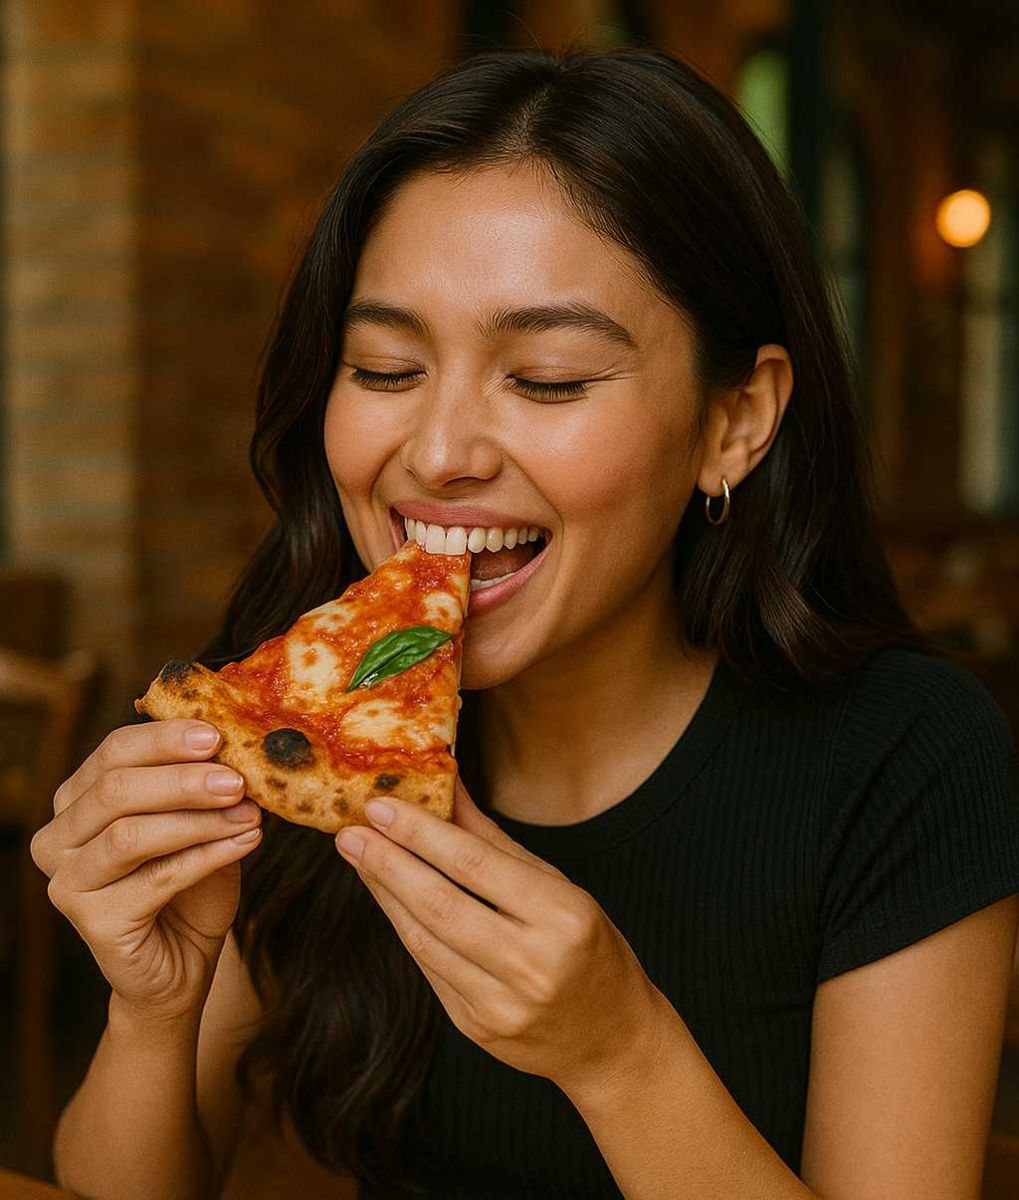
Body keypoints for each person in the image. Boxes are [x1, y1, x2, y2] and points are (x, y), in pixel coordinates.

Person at [30, 43, 1019, 1200]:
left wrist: (618, 1055)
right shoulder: (316, 737)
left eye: (546, 379)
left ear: (735, 421)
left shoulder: (903, 756)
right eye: (385, 367)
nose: (440, 453)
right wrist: (156, 1004)